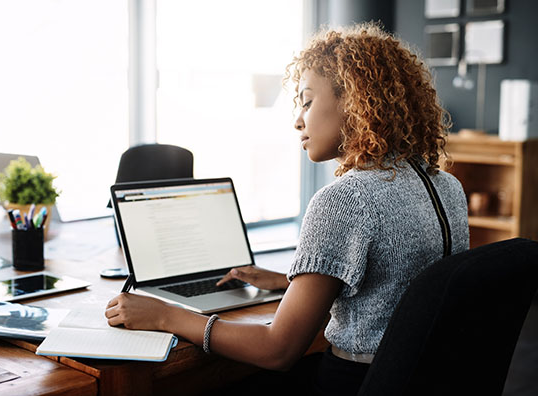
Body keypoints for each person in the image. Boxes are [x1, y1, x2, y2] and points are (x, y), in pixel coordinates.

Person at [105, 23, 470, 395]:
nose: (298, 120)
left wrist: (165, 314)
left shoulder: (347, 199)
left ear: (356, 101)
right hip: (423, 380)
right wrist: (290, 281)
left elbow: (278, 350)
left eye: (308, 101)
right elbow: (397, 287)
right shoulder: (446, 186)